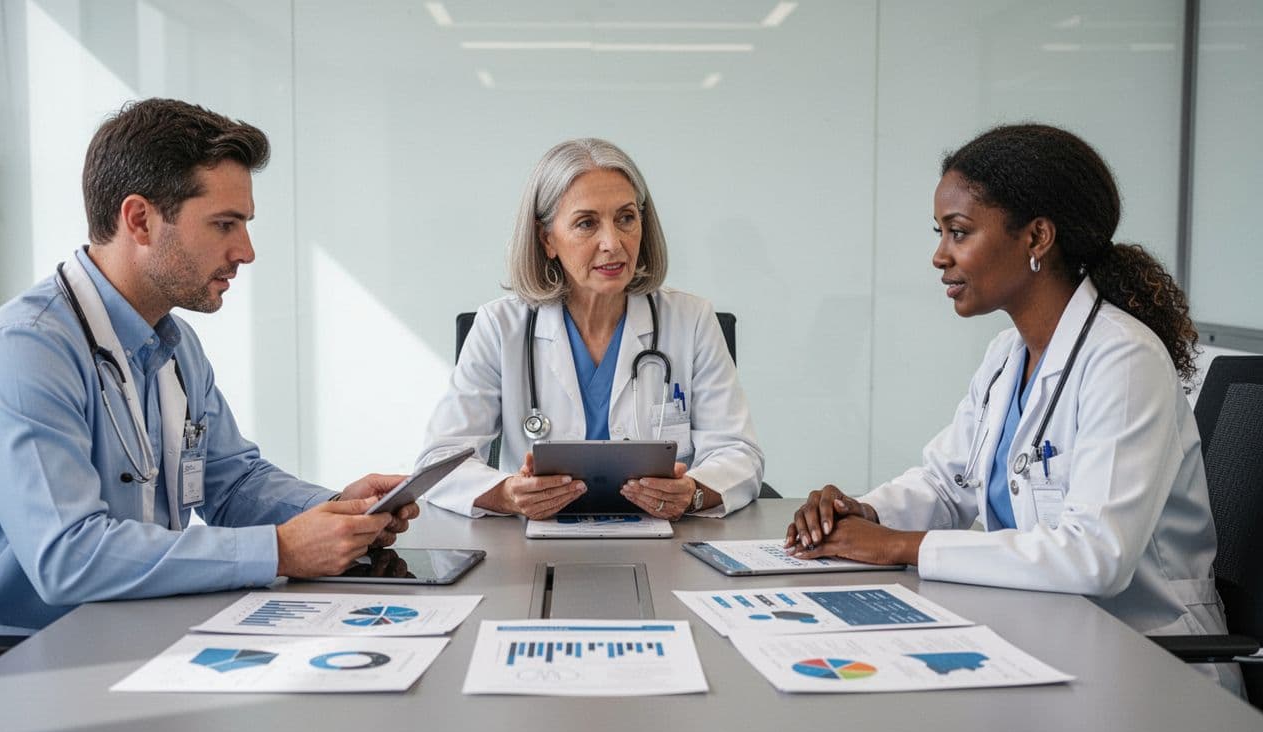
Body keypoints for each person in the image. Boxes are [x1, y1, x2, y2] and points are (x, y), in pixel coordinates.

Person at [0, 98, 418, 705]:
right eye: (225, 224)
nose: (246, 251)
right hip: (7, 681)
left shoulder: (172, 345)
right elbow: (69, 557)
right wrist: (279, 548)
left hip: (129, 650)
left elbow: (232, 483)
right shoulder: (26, 351)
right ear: (140, 220)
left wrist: (337, 510)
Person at [785, 123, 1238, 691]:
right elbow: (947, 485)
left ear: (1036, 238)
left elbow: (1097, 556)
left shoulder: (1124, 360)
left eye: (959, 232)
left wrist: (900, 547)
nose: (939, 256)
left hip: (1150, 665)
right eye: (941, 233)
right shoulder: (1008, 356)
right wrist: (863, 516)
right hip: (1046, 640)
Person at [416, 138, 764, 520]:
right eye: (586, 223)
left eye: (626, 218)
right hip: (532, 550)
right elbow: (439, 461)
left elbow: (739, 455)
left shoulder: (692, 320)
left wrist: (693, 493)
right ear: (547, 238)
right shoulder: (500, 327)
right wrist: (507, 494)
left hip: (668, 545)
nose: (612, 243)